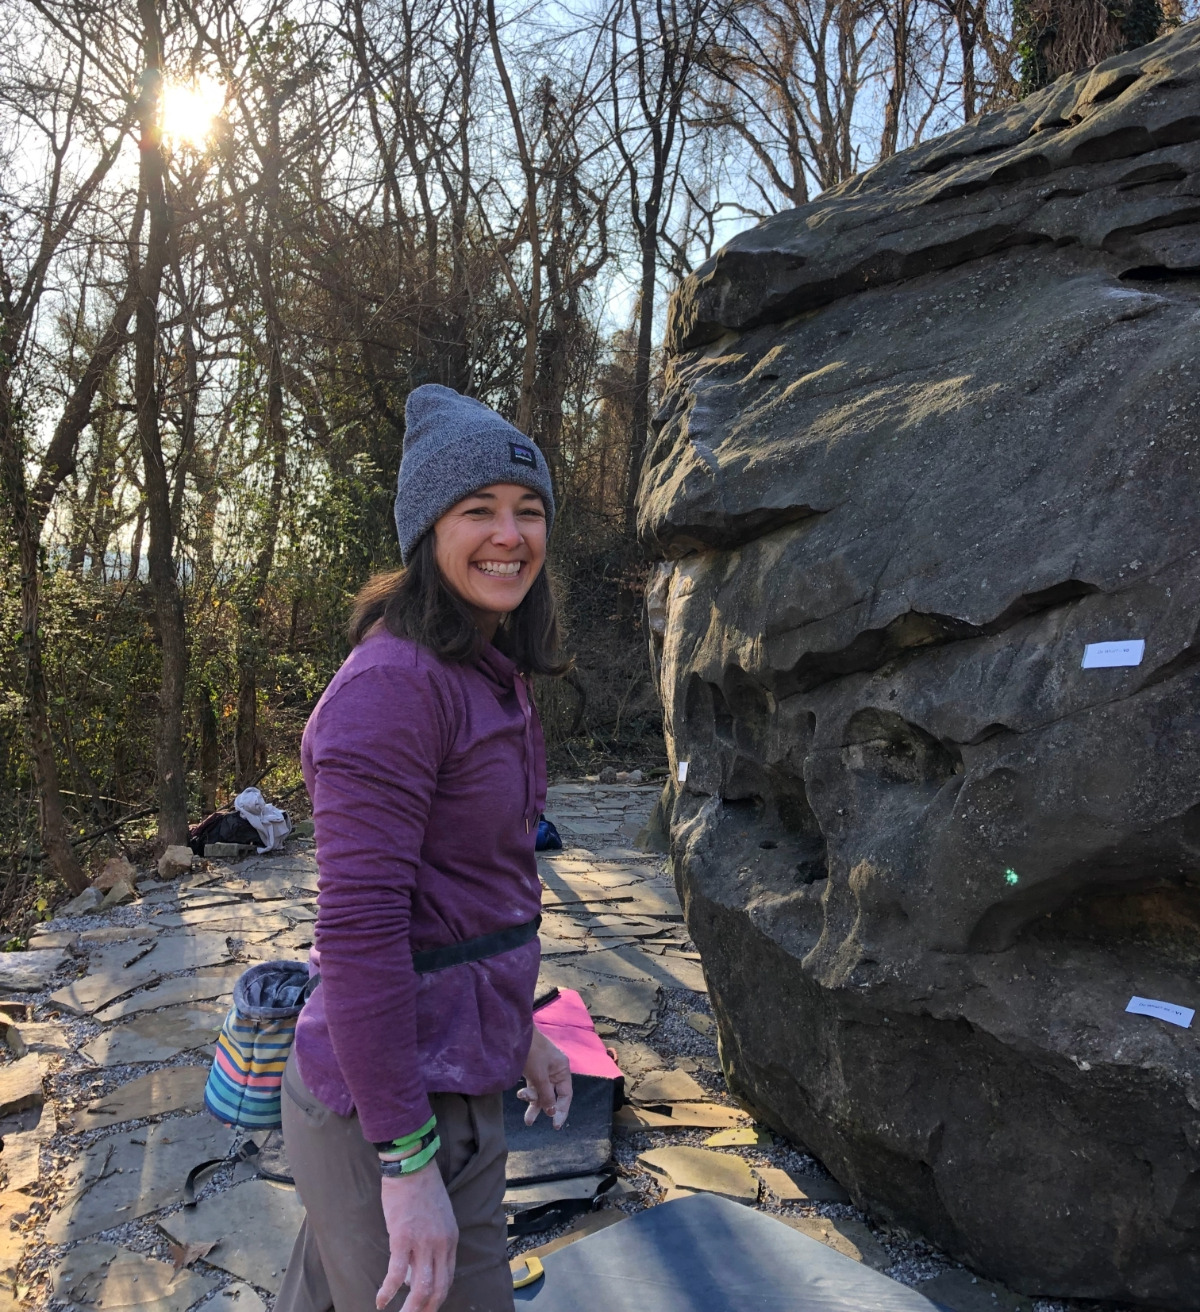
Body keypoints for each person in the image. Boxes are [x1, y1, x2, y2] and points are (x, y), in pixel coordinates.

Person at [276, 385, 574, 1312]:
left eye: (528, 511)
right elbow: (361, 938)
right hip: (389, 1109)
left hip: (461, 1074)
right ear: (425, 532)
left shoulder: (488, 673)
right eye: (477, 509)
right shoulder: (393, 689)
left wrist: (517, 1026)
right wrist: (404, 1166)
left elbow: (471, 896)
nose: (509, 533)